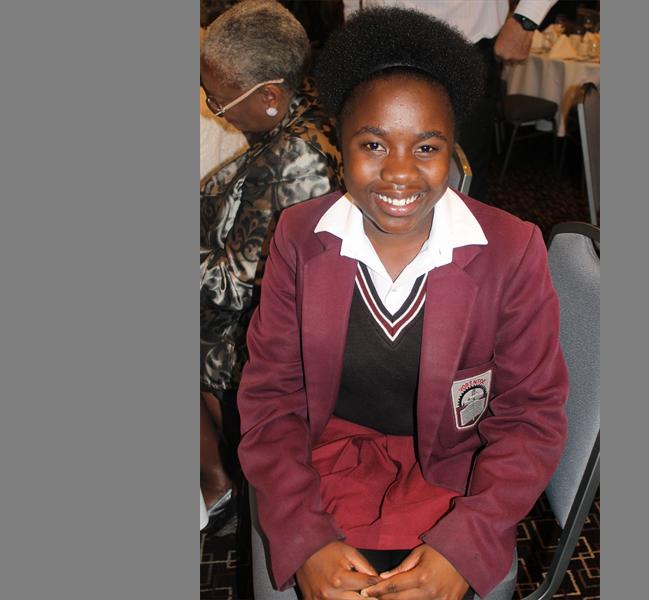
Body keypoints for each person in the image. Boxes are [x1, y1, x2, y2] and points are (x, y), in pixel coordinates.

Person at [238, 7, 568, 600]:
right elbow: (271, 400)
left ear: (453, 149)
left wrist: (464, 543)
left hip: (455, 472)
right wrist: (306, 537)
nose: (398, 173)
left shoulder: (511, 250)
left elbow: (530, 417)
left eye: (426, 147)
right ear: (338, 144)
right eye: (373, 144)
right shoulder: (299, 236)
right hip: (325, 463)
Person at [200, 0, 343, 533]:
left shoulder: (295, 164)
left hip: (267, 332)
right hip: (262, 307)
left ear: (268, 97)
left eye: (217, 99)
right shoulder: (309, 111)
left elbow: (238, 287)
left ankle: (219, 483)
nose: (214, 109)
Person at [341, 0, 559, 203]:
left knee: (459, 185)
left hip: (463, 47)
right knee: (373, 169)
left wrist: (525, 19)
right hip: (379, 47)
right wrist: (354, 30)